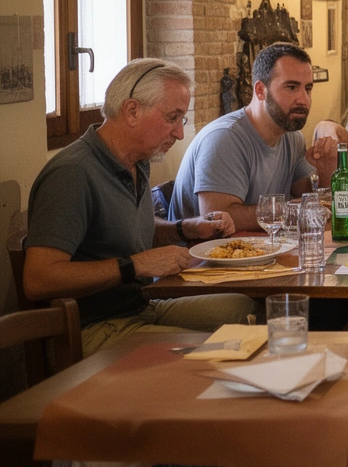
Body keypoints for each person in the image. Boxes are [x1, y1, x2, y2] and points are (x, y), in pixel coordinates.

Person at [24, 59, 254, 354]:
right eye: (172, 118)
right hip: (93, 327)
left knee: (243, 307)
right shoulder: (73, 173)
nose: (179, 133)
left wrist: (186, 228)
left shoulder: (137, 161)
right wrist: (135, 265)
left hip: (140, 307)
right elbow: (38, 279)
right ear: (132, 111)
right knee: (223, 349)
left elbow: (125, 230)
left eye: (181, 120)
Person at [171, 43, 337, 230]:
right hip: (201, 256)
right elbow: (216, 219)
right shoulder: (225, 139)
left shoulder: (292, 137)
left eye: (308, 89)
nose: (303, 100)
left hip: (265, 250)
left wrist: (327, 170)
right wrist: (289, 210)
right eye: (291, 87)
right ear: (260, 90)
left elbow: (307, 199)